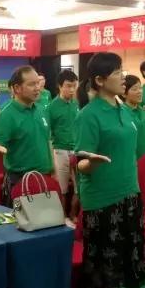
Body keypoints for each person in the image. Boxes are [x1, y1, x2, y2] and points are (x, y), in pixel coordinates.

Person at [75, 52, 145, 288]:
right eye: (117, 73)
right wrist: (91, 162)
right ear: (100, 80)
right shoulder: (88, 115)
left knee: (117, 258)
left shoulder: (124, 109)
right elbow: (81, 163)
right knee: (99, 261)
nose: (123, 77)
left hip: (129, 192)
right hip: (101, 197)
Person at [0, 66, 54, 206]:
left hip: (44, 178)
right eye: (31, 84)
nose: (37, 88)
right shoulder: (7, 114)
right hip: (20, 182)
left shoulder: (41, 110)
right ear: (17, 88)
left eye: (38, 83)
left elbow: (46, 141)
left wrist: (53, 168)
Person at [47, 69, 79, 201]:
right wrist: (51, 162)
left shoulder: (77, 104)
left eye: (74, 86)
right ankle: (63, 213)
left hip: (77, 149)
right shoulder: (51, 107)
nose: (72, 90)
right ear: (60, 86)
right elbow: (48, 136)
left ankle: (73, 212)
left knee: (79, 189)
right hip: (60, 150)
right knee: (62, 190)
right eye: (68, 86)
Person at [121, 75, 145, 158]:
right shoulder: (121, 113)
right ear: (124, 94)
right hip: (130, 160)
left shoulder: (143, 111)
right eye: (134, 89)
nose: (139, 91)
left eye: (140, 88)